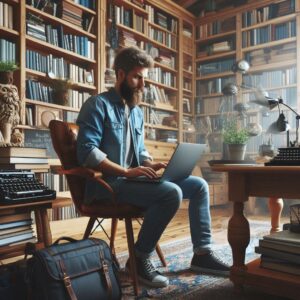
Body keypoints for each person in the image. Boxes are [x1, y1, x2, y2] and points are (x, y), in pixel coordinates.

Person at [76, 46, 229, 288]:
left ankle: (202, 254)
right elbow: (87, 151)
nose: (142, 85)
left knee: (199, 185)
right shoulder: (97, 104)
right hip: (109, 184)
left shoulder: (135, 112)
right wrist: (126, 171)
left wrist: (149, 163)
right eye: (137, 77)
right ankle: (139, 258)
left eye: (144, 79)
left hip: (133, 181)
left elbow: (139, 150)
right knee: (172, 192)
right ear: (120, 74)